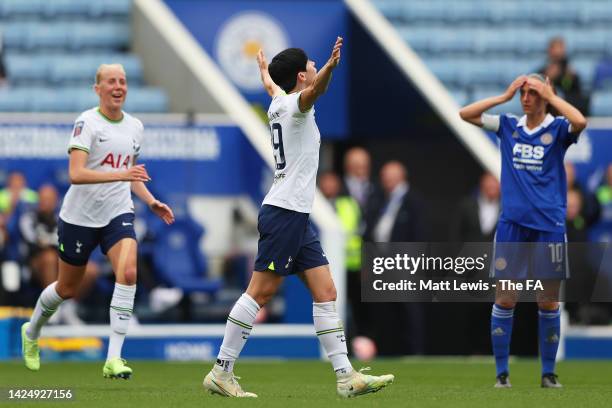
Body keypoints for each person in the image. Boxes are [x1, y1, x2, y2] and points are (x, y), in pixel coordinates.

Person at [203, 38, 393, 399]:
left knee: (326, 291)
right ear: (302, 76)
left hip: (295, 215)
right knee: (260, 291)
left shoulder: (278, 101)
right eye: (310, 64)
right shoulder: (296, 105)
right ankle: (221, 370)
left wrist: (264, 70)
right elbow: (313, 91)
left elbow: (274, 85)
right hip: (285, 212)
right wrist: (331, 67)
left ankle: (345, 376)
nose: (314, 65)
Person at [21, 64, 175, 379]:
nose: (118, 86)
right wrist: (122, 174)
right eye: (110, 81)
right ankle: (32, 330)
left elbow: (130, 173)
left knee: (129, 271)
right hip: (78, 218)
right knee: (67, 288)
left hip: (117, 212)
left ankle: (113, 358)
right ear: (98, 89)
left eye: (122, 81)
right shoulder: (87, 123)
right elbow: (77, 174)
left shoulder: (135, 126)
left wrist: (150, 200)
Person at [460, 73, 587, 388]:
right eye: (524, 93)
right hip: (513, 225)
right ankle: (502, 374)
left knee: (547, 301)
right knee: (505, 299)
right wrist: (504, 97)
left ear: (545, 95)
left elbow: (580, 121)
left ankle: (548, 373)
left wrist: (553, 96)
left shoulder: (557, 129)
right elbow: (466, 114)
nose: (526, 97)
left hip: (549, 226)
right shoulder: (509, 125)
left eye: (532, 92)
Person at [538, 37, 587, 114]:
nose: (557, 52)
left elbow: (568, 87)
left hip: (568, 110)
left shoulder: (570, 72)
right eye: (554, 48)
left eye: (560, 48)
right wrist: (549, 78)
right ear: (549, 51)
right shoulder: (543, 72)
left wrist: (568, 78)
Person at [450, 172, 500, 243]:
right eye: (489, 181)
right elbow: (456, 232)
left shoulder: (506, 209)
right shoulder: (466, 205)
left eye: (495, 182)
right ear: (482, 183)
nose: (493, 185)